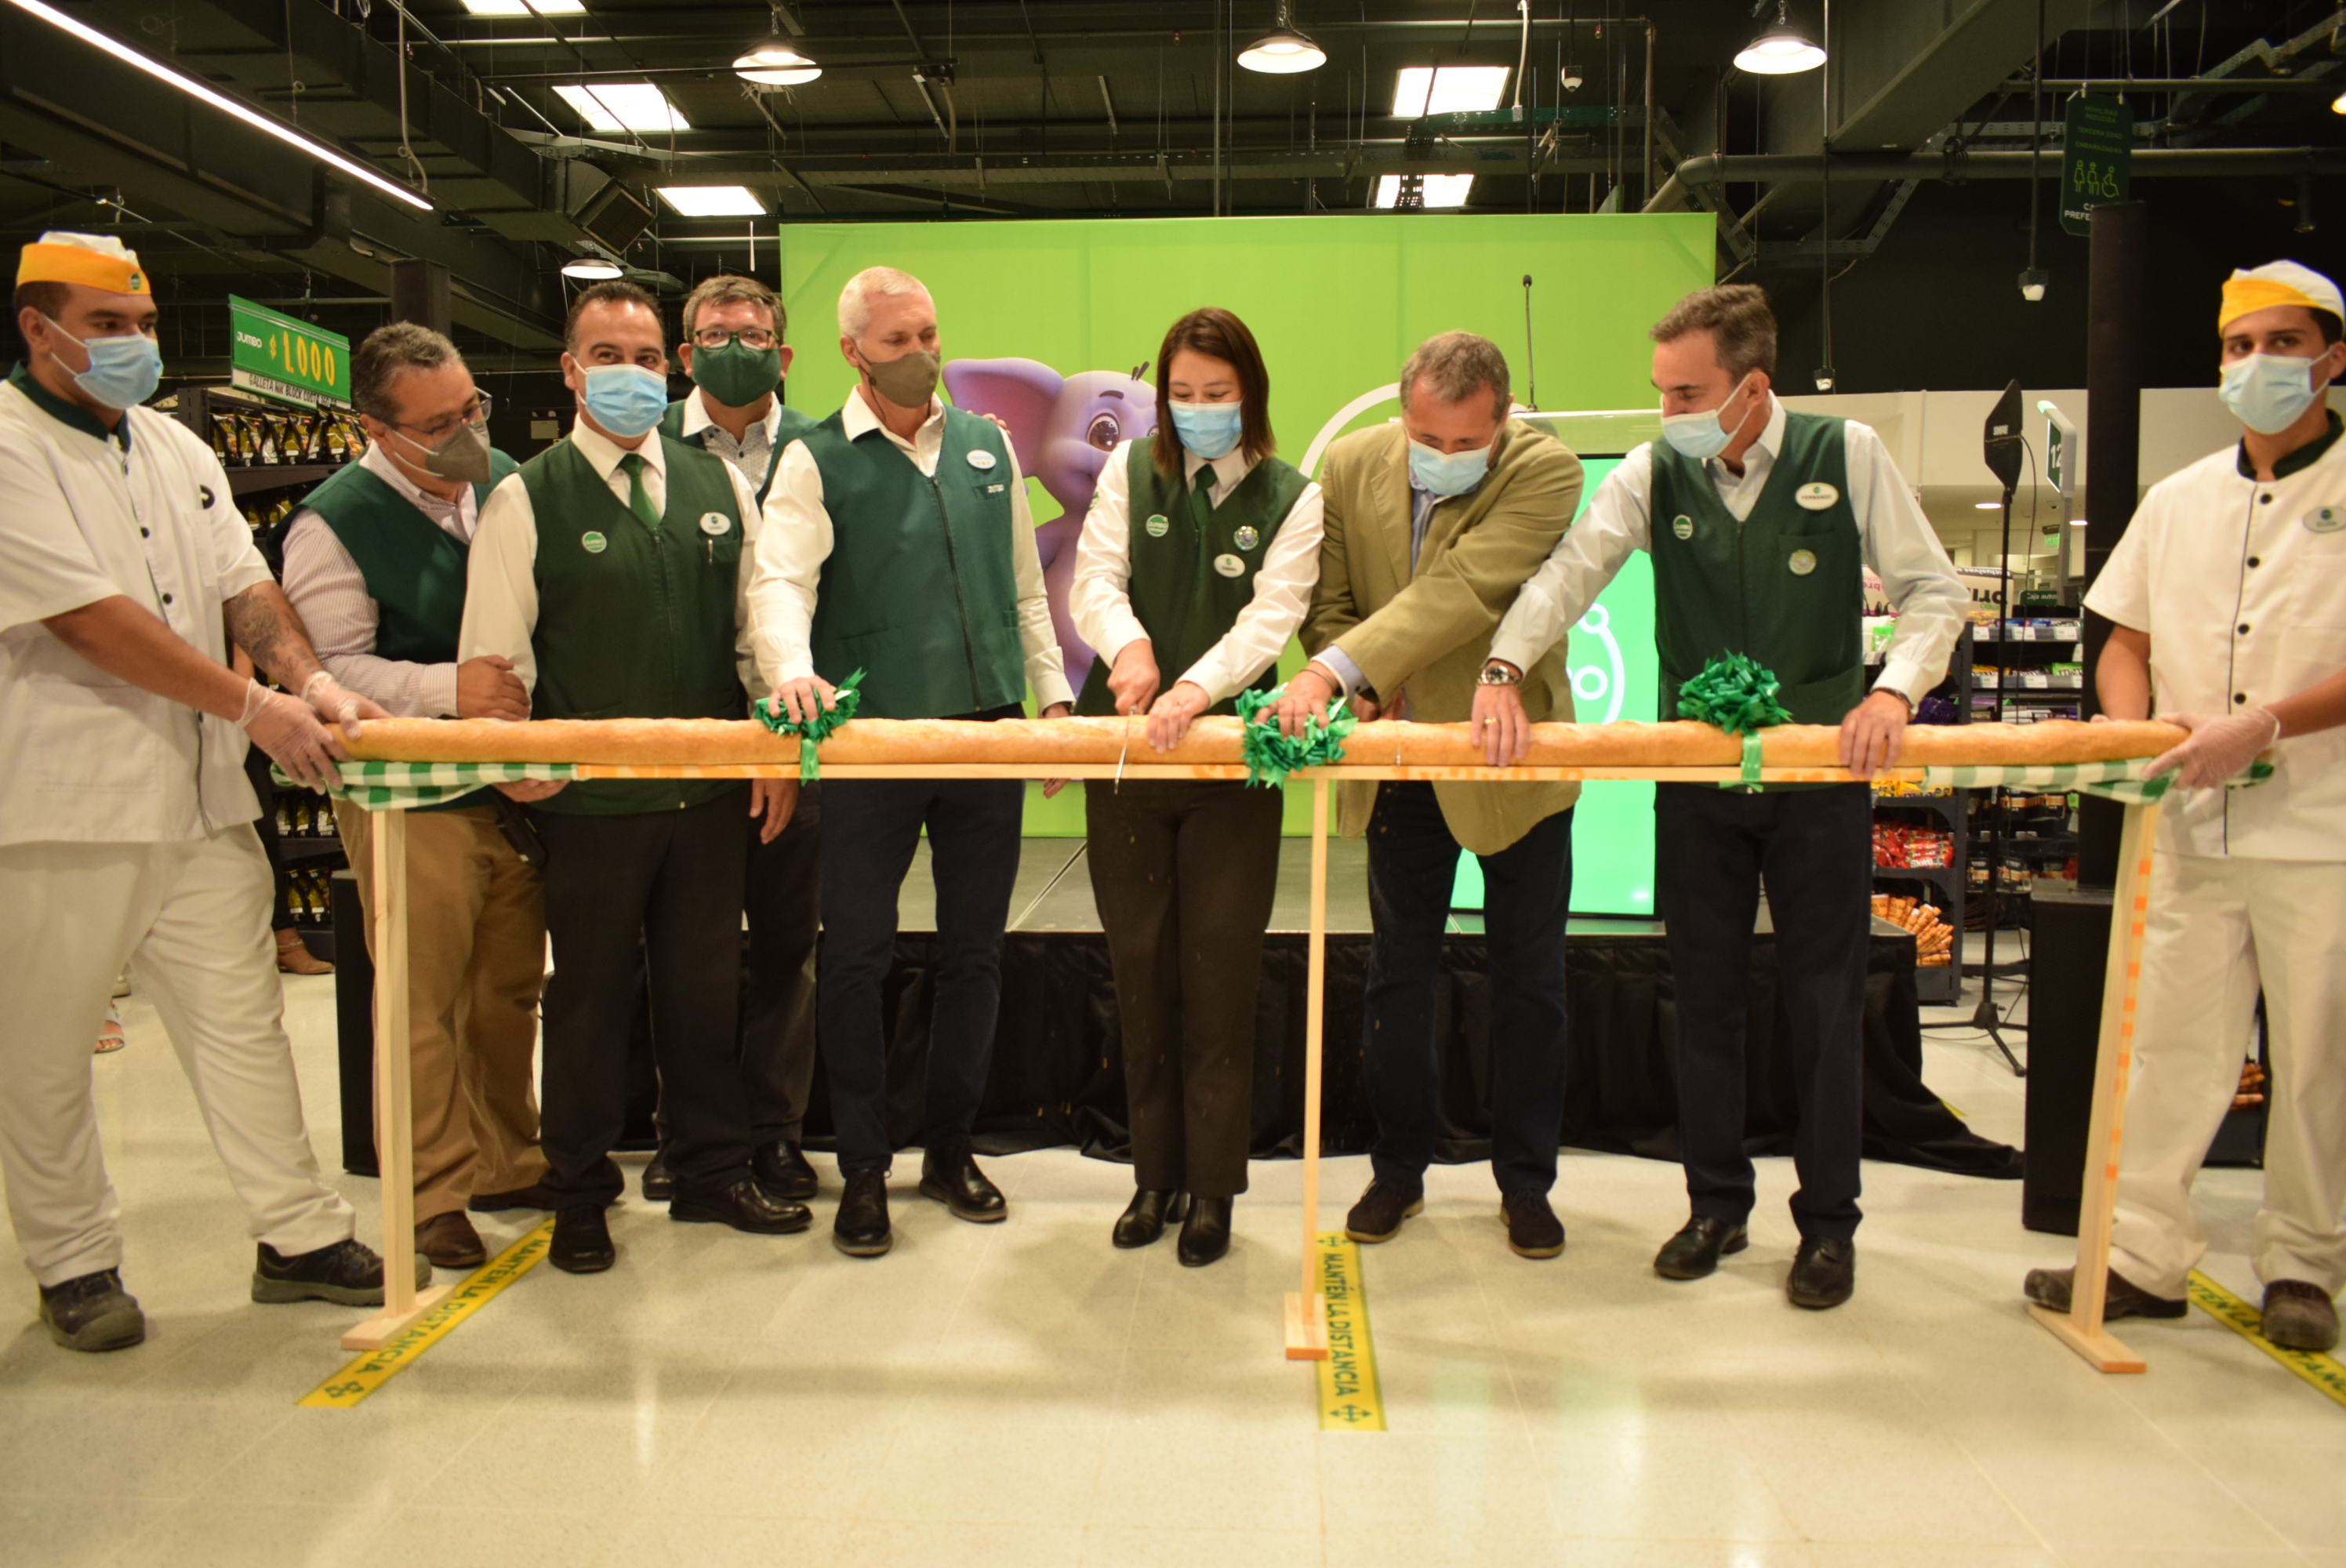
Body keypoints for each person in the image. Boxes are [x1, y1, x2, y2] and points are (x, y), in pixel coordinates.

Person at [1474, 284, 1966, 1309]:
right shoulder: (1657, 472)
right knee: (1702, 1002)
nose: (1667, 414)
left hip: (1818, 781)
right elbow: (1572, 572)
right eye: (1660, 392)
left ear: (1752, 388)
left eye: (1686, 392)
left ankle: (1828, 1227)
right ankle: (1715, 1206)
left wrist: (1893, 689)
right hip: (1698, 781)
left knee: (1824, 1005)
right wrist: (1505, 665)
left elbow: (1934, 590)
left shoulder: (1849, 455)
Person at [0, 231, 416, 1352]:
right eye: (105, 327)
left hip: (201, 803)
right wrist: (253, 712)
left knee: (244, 1027)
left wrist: (309, 677)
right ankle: (74, 1261)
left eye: (141, 326)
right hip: (62, 807)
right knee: (41, 1050)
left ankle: (297, 1234)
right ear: (40, 331)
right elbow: (87, 619)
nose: (132, 345)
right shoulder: (5, 448)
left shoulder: (177, 444)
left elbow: (245, 581)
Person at [2024, 260, 2346, 1353]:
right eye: (2242, 348)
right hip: (2188, 825)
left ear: (2333, 359)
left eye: (2286, 345)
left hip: (2323, 826)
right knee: (2166, 1042)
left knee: (2315, 1058)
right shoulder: (2181, 499)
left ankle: (2302, 1263)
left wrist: (2267, 725)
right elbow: (2125, 639)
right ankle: (2142, 1254)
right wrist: (2140, 730)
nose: (2261, 367)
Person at [459, 278, 806, 1275]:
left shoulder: (719, 487)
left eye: (647, 358)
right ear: (570, 373)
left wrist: (770, 756)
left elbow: (758, 641)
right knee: (590, 1005)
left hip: (706, 798)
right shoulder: (528, 496)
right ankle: (578, 1189)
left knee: (705, 995)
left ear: (672, 369)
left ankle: (708, 1169)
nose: (630, 375)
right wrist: (516, 765)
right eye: (607, 357)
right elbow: (492, 661)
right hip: (592, 806)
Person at [752, 266, 1074, 1258]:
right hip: (870, 742)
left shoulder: (989, 447)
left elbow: (1025, 591)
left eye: (927, 332)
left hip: (985, 733)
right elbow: (779, 581)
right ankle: (860, 1167)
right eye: (896, 341)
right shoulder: (812, 458)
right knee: (854, 955)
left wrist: (1053, 697)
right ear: (853, 352)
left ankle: (950, 1147)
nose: (919, 353)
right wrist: (792, 675)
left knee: (975, 953)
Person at [1277, 330, 1585, 1263]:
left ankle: (1526, 1182)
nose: (1442, 457)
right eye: (1426, 437)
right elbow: (1326, 600)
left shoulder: (1548, 470)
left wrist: (1339, 670)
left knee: (1530, 982)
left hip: (1511, 761)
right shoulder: (1347, 461)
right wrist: (1360, 685)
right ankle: (1396, 1167)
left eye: (1464, 444)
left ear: (1500, 423)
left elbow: (1465, 586)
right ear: (1400, 411)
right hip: (1399, 761)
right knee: (1396, 975)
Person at [280, 321, 552, 1272]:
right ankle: (433, 1193)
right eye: (439, 422)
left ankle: (510, 1159)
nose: (466, 433)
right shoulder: (332, 521)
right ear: (376, 427)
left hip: (510, 792)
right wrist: (452, 690)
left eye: (472, 407)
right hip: (407, 799)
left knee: (505, 992)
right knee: (421, 1002)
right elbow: (332, 665)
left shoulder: (506, 480)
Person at [1068, 307, 1324, 1266]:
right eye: (1183, 394)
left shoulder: (1294, 495)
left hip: (1230, 765)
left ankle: (1212, 1186)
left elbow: (1273, 620)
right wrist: (1129, 649)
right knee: (1139, 967)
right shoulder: (1129, 471)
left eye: (1217, 395)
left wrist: (1192, 688)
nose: (1199, 409)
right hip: (1130, 755)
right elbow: (1096, 577)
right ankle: (1153, 1173)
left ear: (1249, 394)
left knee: (1218, 971)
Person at [638, 274, 823, 1207]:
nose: (733, 347)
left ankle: (777, 1132)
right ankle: (691, 1132)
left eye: (751, 334)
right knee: (690, 955)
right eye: (714, 335)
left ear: (783, 353)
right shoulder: (643, 448)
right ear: (685, 352)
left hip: (796, 740)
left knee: (788, 947)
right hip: (690, 746)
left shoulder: (820, 450)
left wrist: (788, 745)